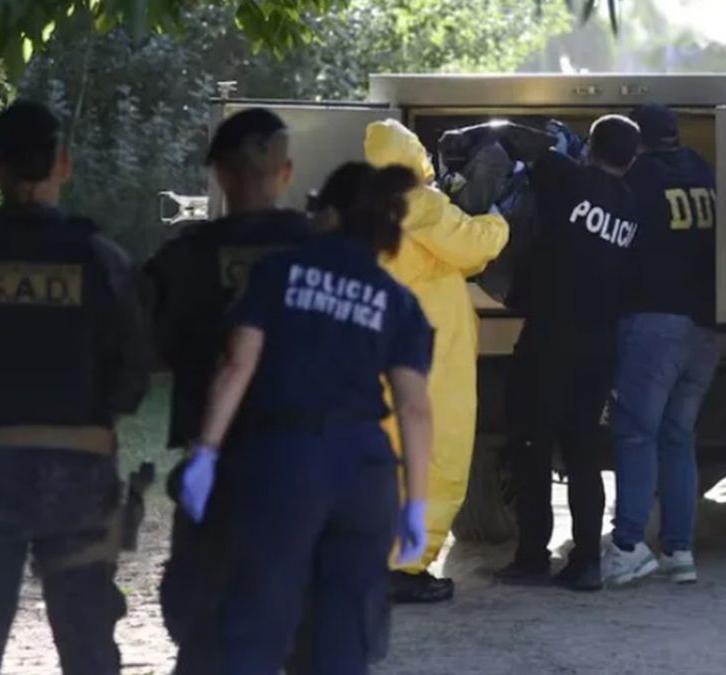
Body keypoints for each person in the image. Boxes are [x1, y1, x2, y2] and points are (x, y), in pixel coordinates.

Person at [176, 161, 434, 674]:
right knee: (346, 634)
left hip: (285, 459)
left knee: (259, 619)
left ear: (330, 214)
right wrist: (416, 504)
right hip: (365, 472)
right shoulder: (398, 301)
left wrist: (205, 452)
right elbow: (414, 407)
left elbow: (237, 363)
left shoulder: (279, 273)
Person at [0, 100, 150, 675]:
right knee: (88, 642)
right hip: (79, 474)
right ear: (62, 165)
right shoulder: (101, 258)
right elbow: (134, 375)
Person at [144, 107, 314, 674]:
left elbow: (144, 346)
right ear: (285, 172)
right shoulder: (327, 253)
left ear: (220, 174)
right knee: (308, 623)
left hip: (220, 467)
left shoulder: (185, 259)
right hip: (309, 464)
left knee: (204, 623)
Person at [363, 119, 509, 604]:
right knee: (437, 454)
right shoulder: (417, 202)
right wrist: (501, 218)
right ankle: (407, 567)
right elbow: (469, 248)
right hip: (430, 355)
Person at [494, 115, 642, 591]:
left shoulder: (567, 177)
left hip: (550, 338)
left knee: (532, 445)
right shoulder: (631, 205)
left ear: (591, 148)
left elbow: (514, 140)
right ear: (633, 158)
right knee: (582, 452)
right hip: (600, 346)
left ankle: (533, 555)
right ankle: (585, 562)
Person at [602, 104, 724, 587]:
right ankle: (679, 551)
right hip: (710, 327)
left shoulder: (639, 179)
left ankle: (629, 545)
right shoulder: (702, 171)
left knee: (635, 433)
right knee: (678, 438)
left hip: (656, 322)